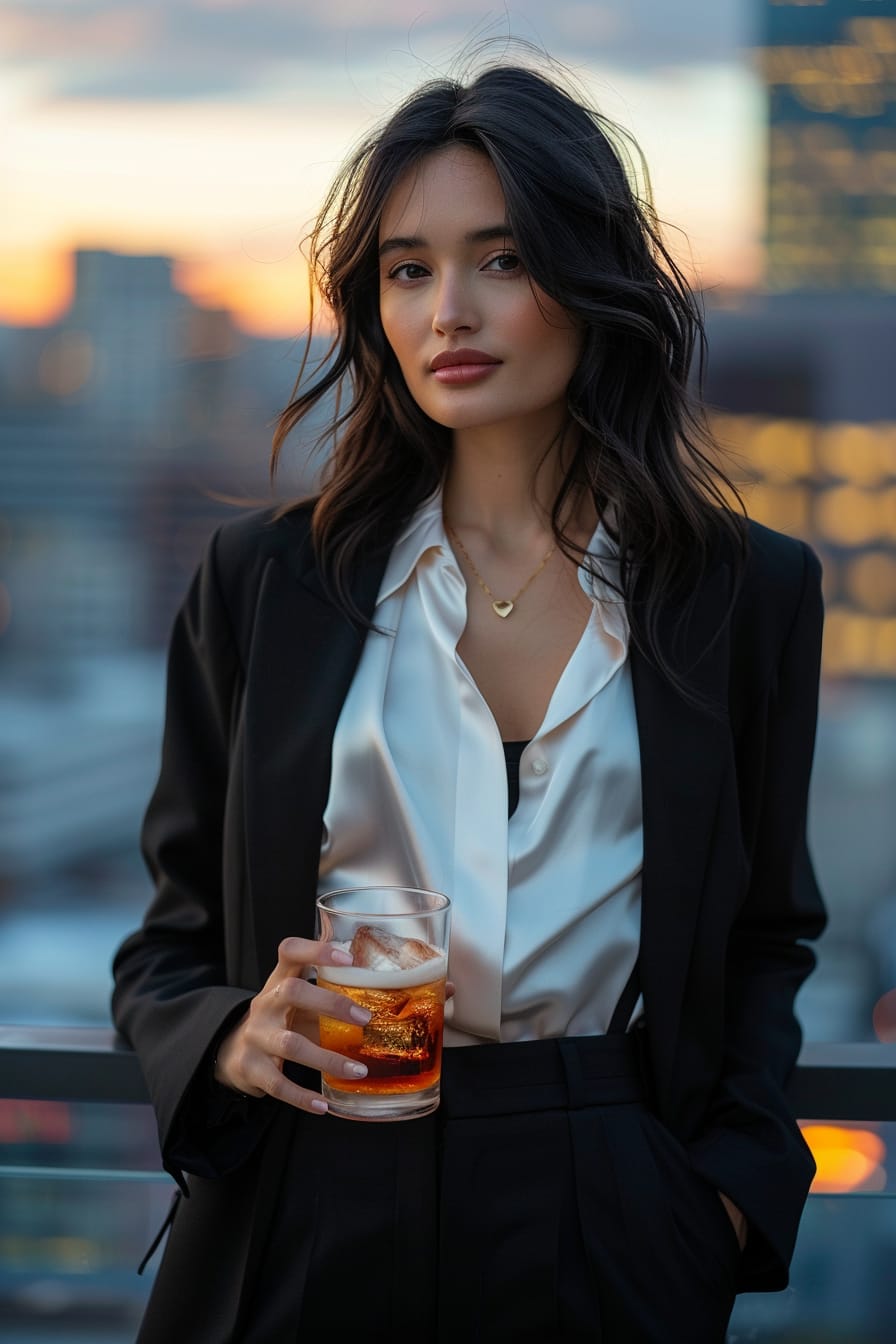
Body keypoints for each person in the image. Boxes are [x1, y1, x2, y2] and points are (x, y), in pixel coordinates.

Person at [112, 56, 826, 1344]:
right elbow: (167, 944)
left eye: (502, 260)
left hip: (611, 1193)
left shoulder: (744, 593)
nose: (451, 309)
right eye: (408, 268)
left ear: (593, 278)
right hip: (312, 1179)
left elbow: (769, 935)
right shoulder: (265, 583)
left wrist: (723, 1204)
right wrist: (229, 1036)